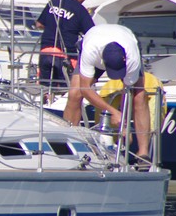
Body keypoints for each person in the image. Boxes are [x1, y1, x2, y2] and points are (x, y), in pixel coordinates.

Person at [63, 23, 152, 161]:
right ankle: (70, 142)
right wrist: (113, 112)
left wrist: (124, 124)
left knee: (139, 96)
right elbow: (85, 89)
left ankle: (143, 153)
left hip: (127, 38)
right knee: (75, 93)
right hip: (93, 43)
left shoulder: (131, 58)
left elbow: (127, 92)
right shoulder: (91, 50)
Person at [34, 0, 95, 86]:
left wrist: (51, 26)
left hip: (46, 52)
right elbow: (92, 33)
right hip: (66, 56)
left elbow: (39, 24)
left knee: (45, 88)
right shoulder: (80, 10)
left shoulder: (55, 1)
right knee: (66, 90)